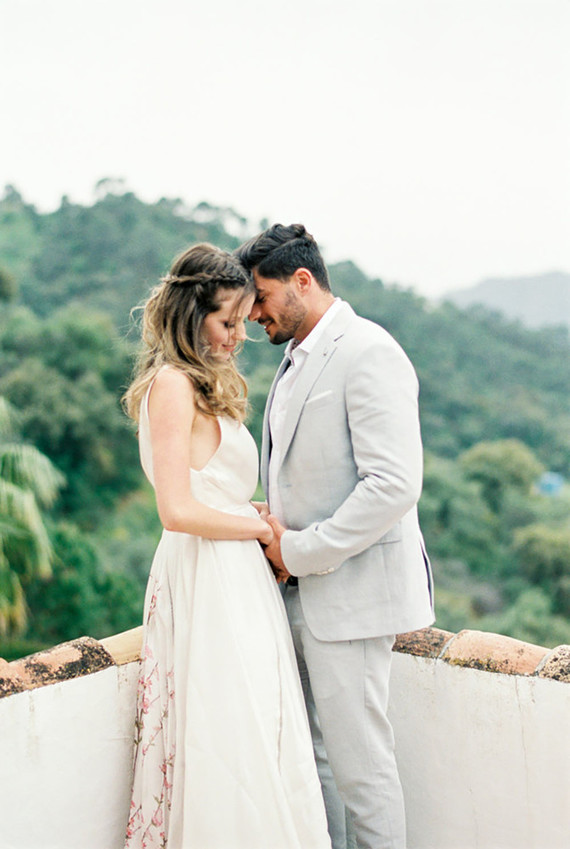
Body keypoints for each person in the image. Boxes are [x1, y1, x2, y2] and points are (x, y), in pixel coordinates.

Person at [122, 243, 331, 849]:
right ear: (192, 317)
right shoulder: (170, 385)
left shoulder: (205, 386)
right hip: (204, 577)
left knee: (257, 721)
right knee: (223, 730)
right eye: (226, 321)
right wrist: (262, 530)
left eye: (242, 320)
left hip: (239, 580)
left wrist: (251, 516)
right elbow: (177, 509)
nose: (239, 334)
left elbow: (218, 495)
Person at [236, 224, 435, 849]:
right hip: (297, 595)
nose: (253, 314)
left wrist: (297, 549)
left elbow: (394, 485)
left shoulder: (368, 350)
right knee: (311, 758)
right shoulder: (295, 358)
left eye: (261, 297)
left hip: (351, 596)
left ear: (303, 280)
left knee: (362, 769)